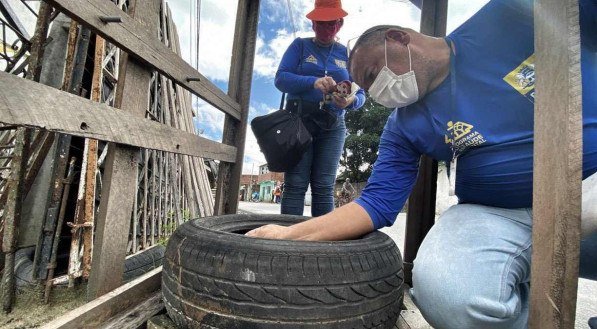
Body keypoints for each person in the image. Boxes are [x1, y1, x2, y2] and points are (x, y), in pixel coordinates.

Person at [248, 1, 597, 328]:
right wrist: (289, 235)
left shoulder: (505, 17)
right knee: (446, 292)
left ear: (399, 38)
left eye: (372, 75)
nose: (378, 92)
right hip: (498, 213)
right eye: (368, 87)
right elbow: (376, 203)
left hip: (589, 185)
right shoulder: (403, 125)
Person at [274, 0, 366, 217]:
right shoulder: (300, 46)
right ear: (313, 23)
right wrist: (312, 82)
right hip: (299, 121)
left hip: (333, 125)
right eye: (322, 23)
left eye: (332, 24)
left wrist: (350, 101)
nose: (327, 29)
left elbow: (361, 94)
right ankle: (288, 243)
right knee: (295, 184)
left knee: (324, 186)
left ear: (340, 23)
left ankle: (322, 245)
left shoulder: (347, 54)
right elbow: (281, 79)